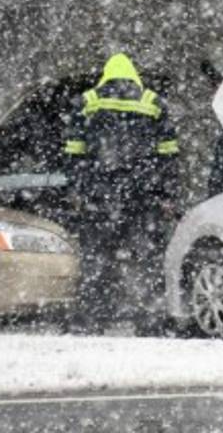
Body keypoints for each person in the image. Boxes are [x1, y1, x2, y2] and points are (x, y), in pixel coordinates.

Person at [62, 53, 180, 332]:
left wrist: (78, 190)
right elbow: (168, 154)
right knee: (148, 257)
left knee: (97, 256)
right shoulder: (153, 102)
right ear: (134, 76)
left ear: (106, 75)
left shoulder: (87, 101)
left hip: (99, 196)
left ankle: (95, 316)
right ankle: (151, 317)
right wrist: (166, 195)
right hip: (143, 196)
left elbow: (74, 152)